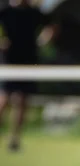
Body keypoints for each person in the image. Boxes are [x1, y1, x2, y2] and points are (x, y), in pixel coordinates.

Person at [0, 0, 56, 152]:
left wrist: (42, 42)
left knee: (22, 101)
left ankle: (15, 139)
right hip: (9, 62)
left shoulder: (34, 13)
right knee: (4, 99)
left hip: (30, 61)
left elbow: (51, 26)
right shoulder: (5, 11)